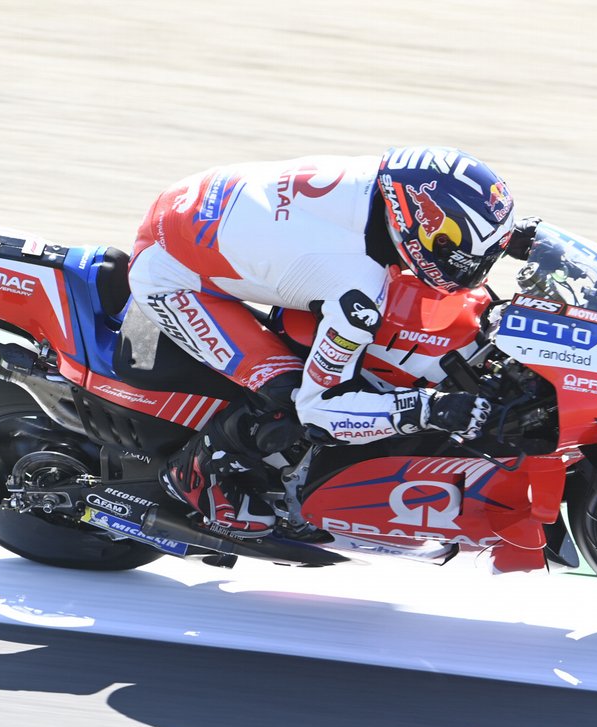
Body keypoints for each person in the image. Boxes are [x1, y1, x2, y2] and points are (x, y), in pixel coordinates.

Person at [128, 146, 536, 535]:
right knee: (286, 391)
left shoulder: (380, 183)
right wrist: (430, 409)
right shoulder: (354, 286)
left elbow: (447, 207)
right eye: (457, 248)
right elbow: (320, 413)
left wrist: (508, 237)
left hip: (198, 203)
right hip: (171, 275)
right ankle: (196, 476)